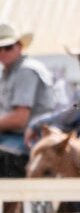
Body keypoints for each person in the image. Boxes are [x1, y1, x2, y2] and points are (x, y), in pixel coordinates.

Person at [0, 22, 54, 176]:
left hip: (30, 139)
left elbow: (19, 119)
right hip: (16, 136)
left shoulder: (25, 71)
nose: (3, 52)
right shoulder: (8, 72)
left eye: (8, 47)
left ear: (19, 46)